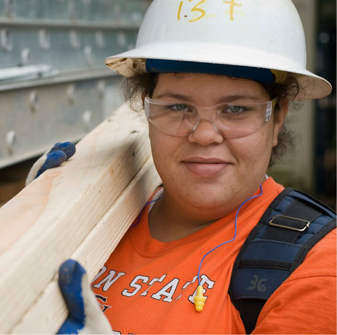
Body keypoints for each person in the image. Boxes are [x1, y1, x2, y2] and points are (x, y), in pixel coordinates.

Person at [32, 0, 336, 333]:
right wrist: (41, 219)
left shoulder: (316, 267)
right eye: (178, 106)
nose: (204, 135)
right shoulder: (101, 220)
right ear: (147, 111)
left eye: (235, 109)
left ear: (277, 118)